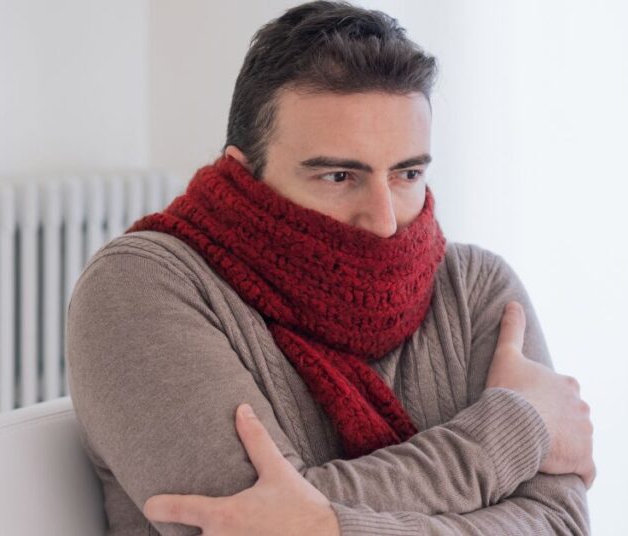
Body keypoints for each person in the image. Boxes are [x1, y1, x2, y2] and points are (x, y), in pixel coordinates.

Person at [66, 1, 595, 534]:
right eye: (340, 176)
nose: (384, 222)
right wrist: (514, 430)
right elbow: (237, 524)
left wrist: (328, 525)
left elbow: (559, 523)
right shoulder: (140, 287)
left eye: (407, 174)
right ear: (244, 173)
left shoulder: (478, 290)